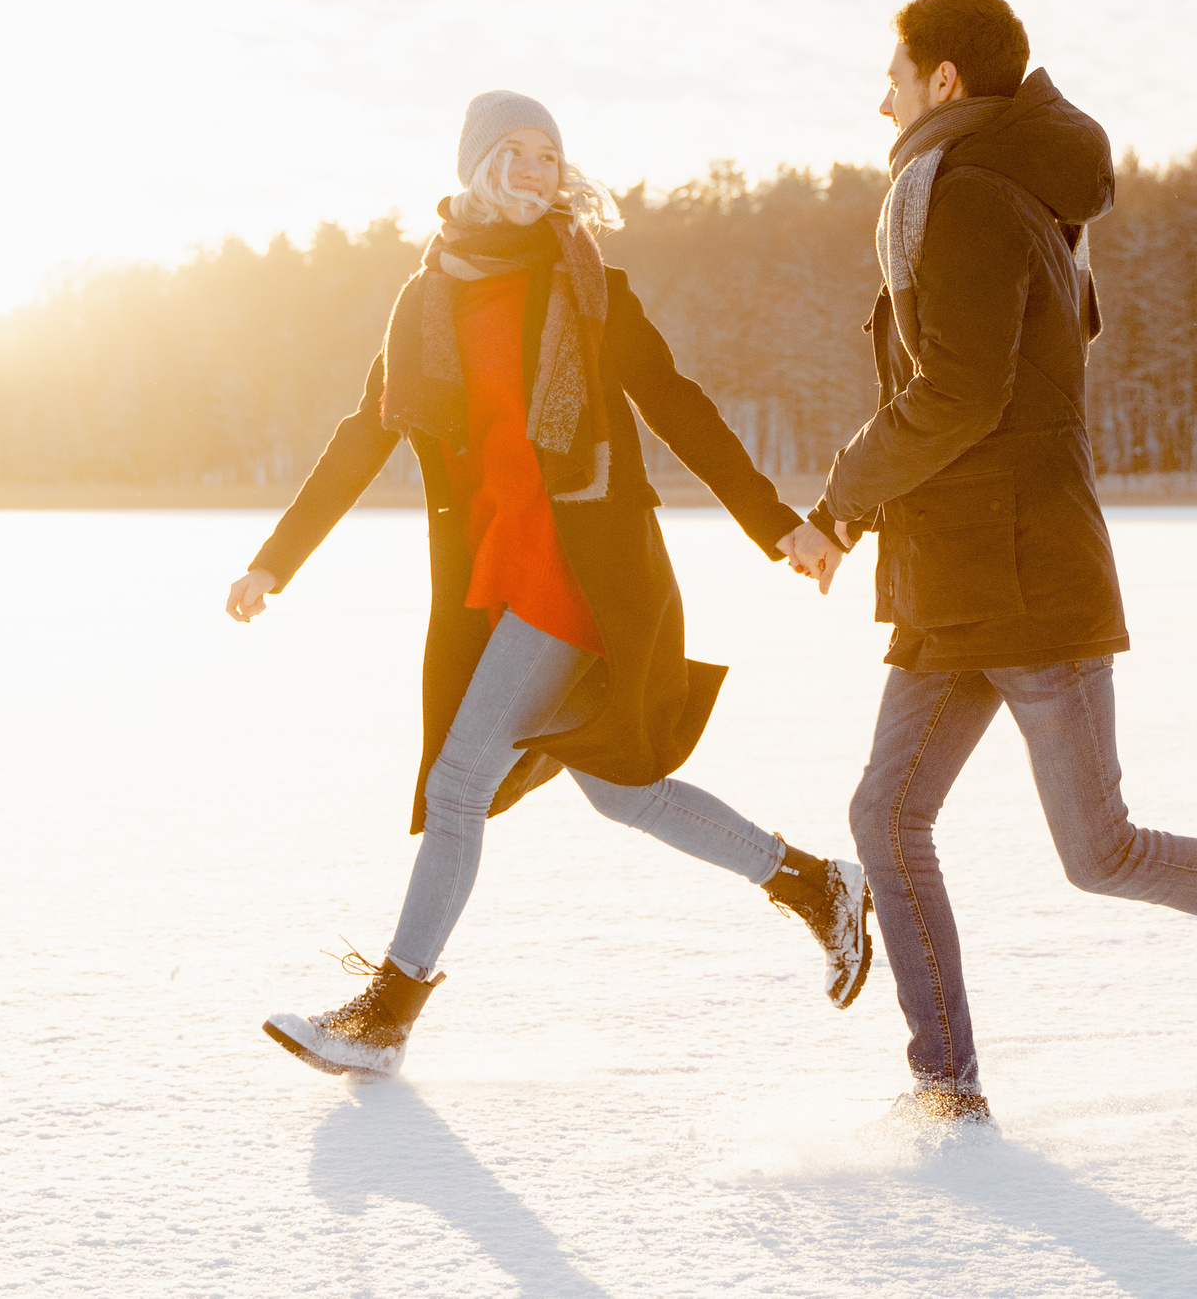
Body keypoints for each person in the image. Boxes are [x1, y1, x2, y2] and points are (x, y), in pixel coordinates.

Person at [810, 0, 1197, 1129]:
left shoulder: (971, 197)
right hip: (960, 571)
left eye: (891, 76)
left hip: (1023, 575)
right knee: (885, 819)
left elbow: (957, 395)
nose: (878, 99)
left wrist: (839, 506)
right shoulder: (994, 190)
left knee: (1101, 852)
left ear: (943, 80)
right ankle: (945, 1088)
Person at [236, 90, 873, 1079]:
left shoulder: (588, 288)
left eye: (549, 154)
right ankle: (816, 884)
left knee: (458, 784)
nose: (538, 171)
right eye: (517, 152)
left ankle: (386, 1015)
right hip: (493, 575)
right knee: (626, 794)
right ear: (476, 165)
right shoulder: (425, 301)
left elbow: (676, 404)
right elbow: (365, 434)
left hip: (582, 571)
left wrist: (774, 522)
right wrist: (275, 559)